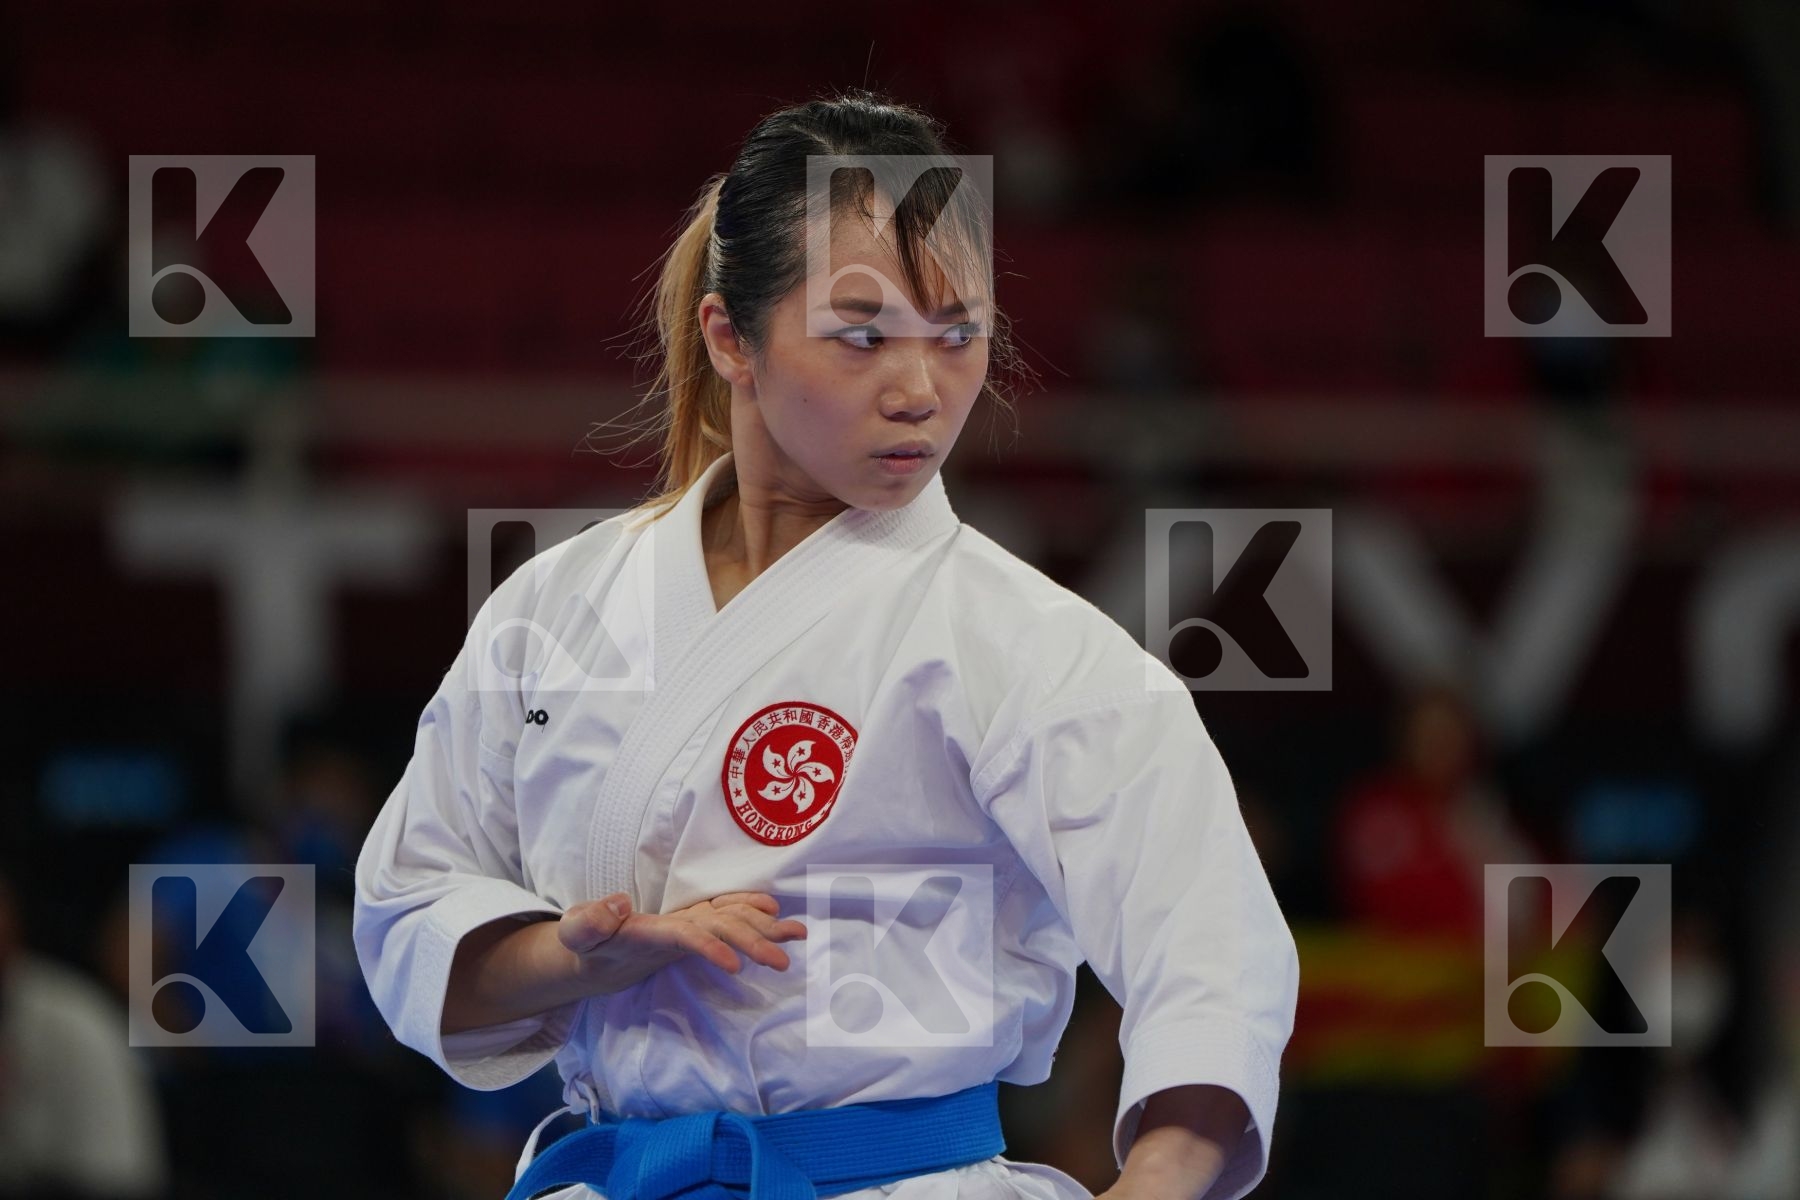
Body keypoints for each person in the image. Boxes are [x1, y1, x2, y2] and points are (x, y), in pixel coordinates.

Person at [352, 89, 1298, 1200]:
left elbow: (1214, 959)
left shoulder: (1030, 647)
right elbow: (410, 910)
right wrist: (575, 958)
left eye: (959, 335)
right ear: (729, 336)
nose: (920, 390)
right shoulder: (555, 610)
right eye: (863, 336)